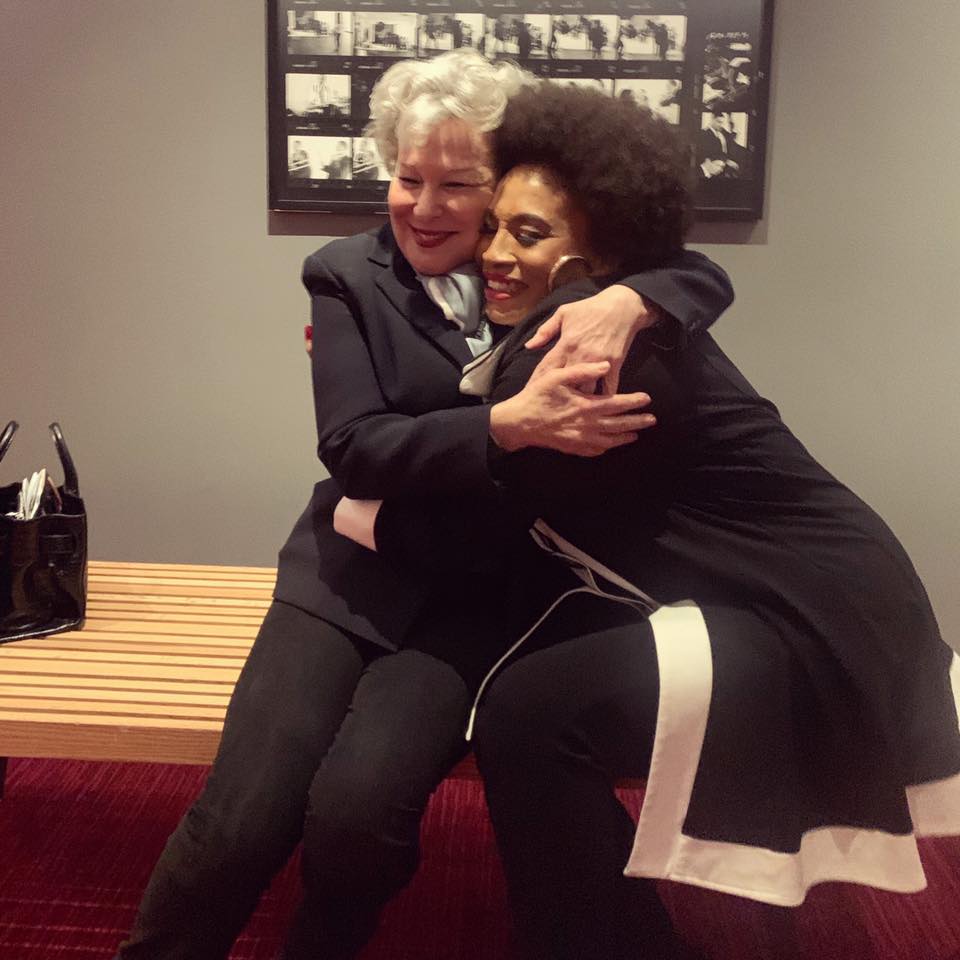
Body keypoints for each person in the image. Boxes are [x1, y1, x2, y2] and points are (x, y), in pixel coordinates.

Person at [114, 51, 733, 960]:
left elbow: (698, 274)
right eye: (409, 177)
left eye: (459, 183)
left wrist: (637, 297)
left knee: (357, 819)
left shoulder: (549, 270)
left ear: (503, 188)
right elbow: (353, 445)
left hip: (470, 608)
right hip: (344, 579)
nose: (427, 206)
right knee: (242, 819)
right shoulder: (344, 274)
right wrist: (507, 427)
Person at [346, 82, 960, 959]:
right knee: (532, 706)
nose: (494, 253)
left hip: (806, 611)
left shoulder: (602, 355)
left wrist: (356, 511)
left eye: (529, 233)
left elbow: (492, 525)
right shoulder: (595, 322)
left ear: (598, 257)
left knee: (530, 716)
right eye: (496, 227)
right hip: (758, 593)